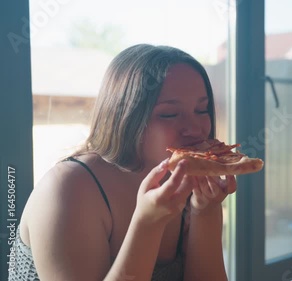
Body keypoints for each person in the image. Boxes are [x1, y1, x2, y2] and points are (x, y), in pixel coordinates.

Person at [9, 44, 236, 281]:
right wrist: (148, 224)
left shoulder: (187, 181)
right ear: (125, 116)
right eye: (169, 114)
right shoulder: (68, 188)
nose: (196, 128)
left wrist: (205, 211)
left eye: (202, 109)